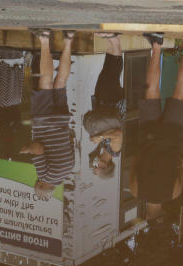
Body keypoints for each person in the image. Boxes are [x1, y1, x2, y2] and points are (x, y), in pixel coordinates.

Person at [130, 32, 183, 222]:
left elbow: (180, 163)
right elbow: (135, 158)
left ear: (162, 211)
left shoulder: (174, 193)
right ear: (147, 213)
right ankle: (157, 45)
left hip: (172, 136)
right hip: (148, 135)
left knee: (181, 90)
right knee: (151, 89)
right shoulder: (136, 192)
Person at [22, 30, 77, 197]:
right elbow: (38, 148)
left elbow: (70, 140)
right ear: (40, 185)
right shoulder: (44, 175)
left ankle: (68, 41)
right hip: (44, 121)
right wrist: (27, 150)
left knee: (60, 81)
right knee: (45, 81)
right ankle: (44, 39)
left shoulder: (69, 170)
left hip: (61, 120)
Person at [83, 33, 126, 177]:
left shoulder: (103, 148)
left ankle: (111, 42)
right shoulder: (115, 151)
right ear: (104, 165)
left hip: (102, 104)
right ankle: (116, 41)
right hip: (112, 105)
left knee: (106, 73)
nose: (95, 163)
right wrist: (100, 137)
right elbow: (118, 134)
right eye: (97, 166)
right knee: (112, 75)